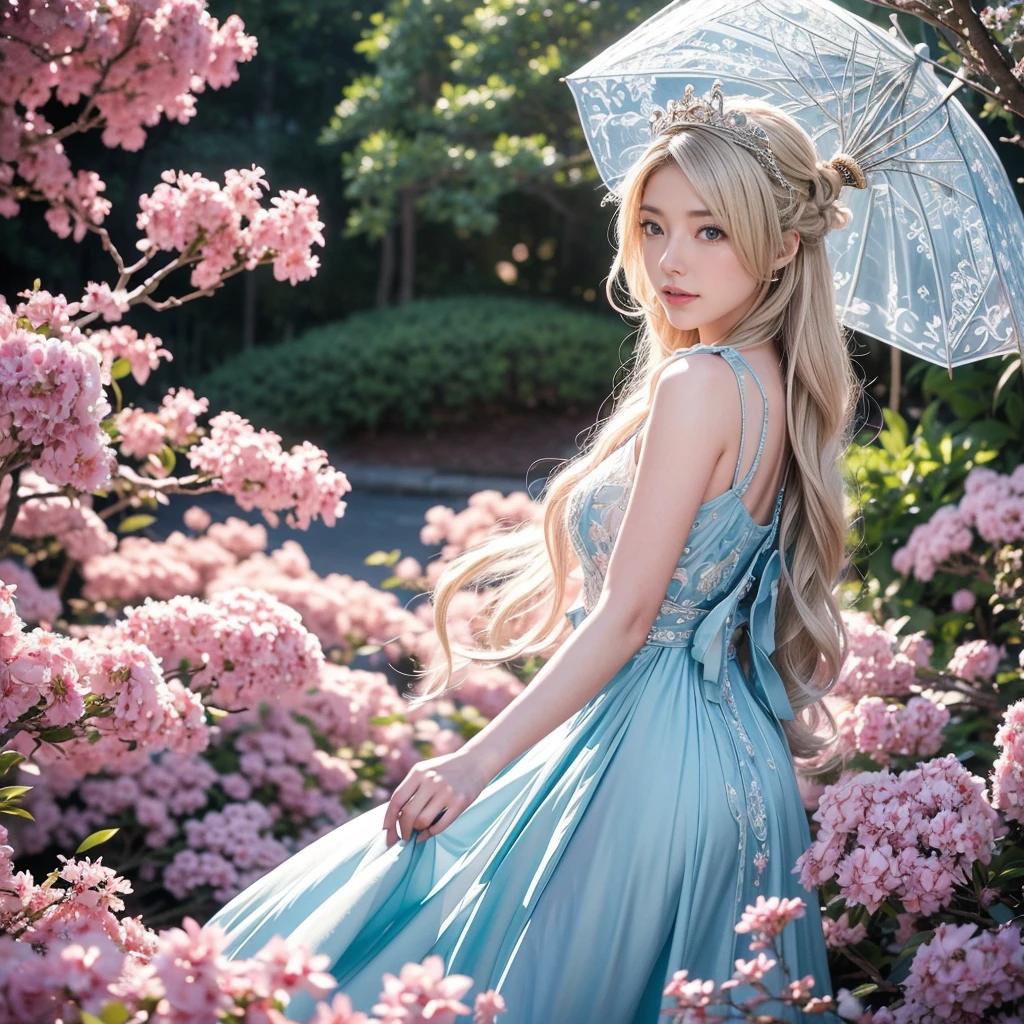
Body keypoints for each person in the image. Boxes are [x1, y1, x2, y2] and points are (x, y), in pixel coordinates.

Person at [207, 82, 860, 1024]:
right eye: (654, 224)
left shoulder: (699, 382)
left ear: (784, 245)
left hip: (645, 754)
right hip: (735, 764)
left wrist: (475, 764)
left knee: (399, 951)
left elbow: (629, 615)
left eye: (710, 231)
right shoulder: (776, 387)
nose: (671, 258)